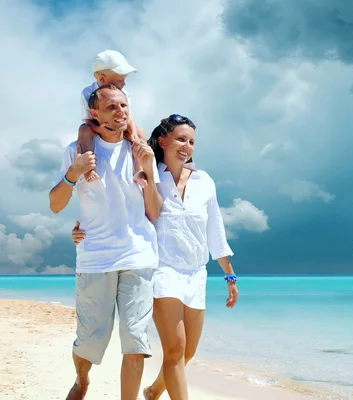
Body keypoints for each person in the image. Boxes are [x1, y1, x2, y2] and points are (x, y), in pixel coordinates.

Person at [72, 114, 239, 400]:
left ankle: (153, 391)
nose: (187, 146)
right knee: (174, 349)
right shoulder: (146, 172)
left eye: (192, 142)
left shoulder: (204, 181)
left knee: (187, 353)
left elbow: (216, 230)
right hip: (161, 270)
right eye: (181, 139)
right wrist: (80, 228)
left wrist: (229, 274)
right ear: (162, 140)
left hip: (197, 273)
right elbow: (116, 208)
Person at [50, 83, 163, 400]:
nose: (121, 112)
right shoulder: (78, 150)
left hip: (139, 257)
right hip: (96, 259)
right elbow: (55, 205)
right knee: (89, 341)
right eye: (112, 107)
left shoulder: (139, 151)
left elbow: (153, 211)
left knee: (135, 339)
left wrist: (149, 172)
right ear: (94, 113)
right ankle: (82, 380)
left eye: (124, 106)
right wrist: (73, 173)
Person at [78, 49, 147, 186]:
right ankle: (88, 169)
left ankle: (139, 169)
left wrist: (133, 133)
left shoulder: (124, 93)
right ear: (102, 79)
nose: (124, 83)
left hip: (120, 124)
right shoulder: (87, 93)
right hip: (97, 126)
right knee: (84, 130)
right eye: (120, 80)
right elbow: (88, 120)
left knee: (140, 132)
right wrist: (100, 129)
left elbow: (129, 119)